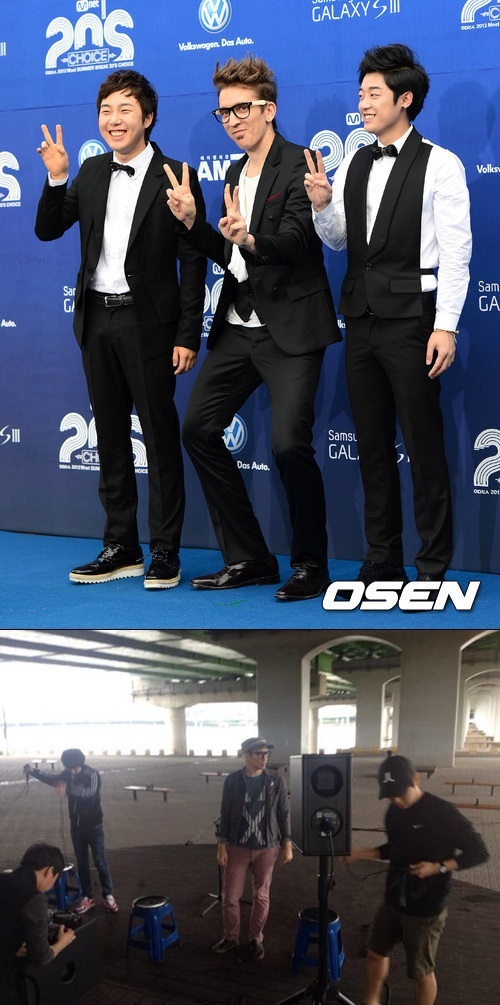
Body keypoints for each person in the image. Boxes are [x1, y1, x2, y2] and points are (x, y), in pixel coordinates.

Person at [164, 55, 339, 601]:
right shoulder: (234, 174)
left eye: (242, 109)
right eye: (224, 112)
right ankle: (249, 557)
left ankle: (310, 564)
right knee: (197, 429)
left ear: (269, 109)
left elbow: (295, 243)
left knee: (289, 445)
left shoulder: (300, 164)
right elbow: (232, 257)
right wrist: (193, 224)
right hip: (239, 327)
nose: (233, 120)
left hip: (292, 329)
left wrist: (249, 239)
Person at [305, 43, 472, 589]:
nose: (363, 103)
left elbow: (457, 254)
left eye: (373, 94)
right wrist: (322, 204)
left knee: (423, 447)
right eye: (361, 94)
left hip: (414, 321)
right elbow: (340, 242)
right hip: (361, 320)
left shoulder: (441, 163)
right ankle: (383, 556)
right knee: (371, 445)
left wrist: (445, 325)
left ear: (405, 99)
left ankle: (433, 563)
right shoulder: (356, 160)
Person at [35, 69, 206, 589]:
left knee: (158, 437)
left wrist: (187, 334)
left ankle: (166, 550)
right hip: (97, 319)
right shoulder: (90, 172)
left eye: (125, 109)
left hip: (149, 324)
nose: (114, 119)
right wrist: (57, 178)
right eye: (106, 110)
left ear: (147, 117)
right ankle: (121, 545)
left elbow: (193, 263)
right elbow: (47, 229)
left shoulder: (177, 175)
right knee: (110, 437)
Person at [345, 755, 488, 1005]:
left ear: (416, 780)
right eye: (390, 796)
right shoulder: (394, 812)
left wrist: (438, 867)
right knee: (376, 954)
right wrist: (361, 853)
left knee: (421, 972)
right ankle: (371, 1001)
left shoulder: (443, 813)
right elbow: (395, 848)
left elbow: (479, 852)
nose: (397, 801)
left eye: (401, 794)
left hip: (426, 907)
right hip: (393, 899)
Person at [212, 736, 292, 959]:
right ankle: (231, 937)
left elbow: (283, 812)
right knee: (230, 896)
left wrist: (286, 843)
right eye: (259, 754)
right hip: (238, 846)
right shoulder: (233, 781)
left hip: (267, 847)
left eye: (266, 754)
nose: (264, 758)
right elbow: (225, 813)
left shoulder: (276, 780)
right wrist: (221, 845)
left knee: (261, 895)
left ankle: (256, 939)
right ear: (246, 756)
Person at [24, 749, 117, 915]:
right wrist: (33, 771)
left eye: (75, 768)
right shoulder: (67, 773)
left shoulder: (92, 774)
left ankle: (108, 895)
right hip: (76, 827)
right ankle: (88, 897)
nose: (72, 771)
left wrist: (67, 789)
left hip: (94, 826)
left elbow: (89, 792)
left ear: (81, 763)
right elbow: (53, 779)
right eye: (69, 768)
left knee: (100, 861)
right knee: (82, 862)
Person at [0, 843, 76, 1005]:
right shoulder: (34, 898)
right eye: (55, 879)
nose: (53, 884)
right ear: (49, 871)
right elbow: (41, 957)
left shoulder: (3, 878)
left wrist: (12, 946)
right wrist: (63, 942)